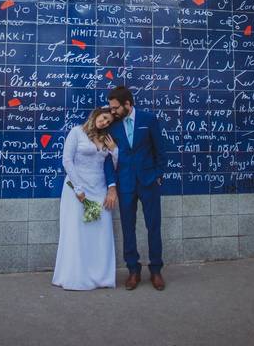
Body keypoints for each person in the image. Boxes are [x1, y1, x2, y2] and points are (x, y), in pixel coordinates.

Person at [107, 85, 170, 291]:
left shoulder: (148, 119)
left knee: (153, 226)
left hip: (149, 181)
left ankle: (156, 270)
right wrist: (113, 184)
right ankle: (133, 270)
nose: (112, 111)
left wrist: (158, 175)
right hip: (125, 183)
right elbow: (108, 158)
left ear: (128, 104)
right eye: (111, 107)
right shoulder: (113, 126)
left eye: (116, 107)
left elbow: (160, 149)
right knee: (128, 227)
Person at [52, 107, 119, 290]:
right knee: (77, 233)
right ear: (97, 114)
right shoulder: (76, 132)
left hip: (99, 190)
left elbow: (112, 166)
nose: (105, 122)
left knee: (100, 233)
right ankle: (76, 277)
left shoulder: (106, 139)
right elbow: (67, 160)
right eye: (104, 118)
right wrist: (79, 188)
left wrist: (114, 151)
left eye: (108, 122)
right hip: (77, 190)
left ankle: (100, 277)